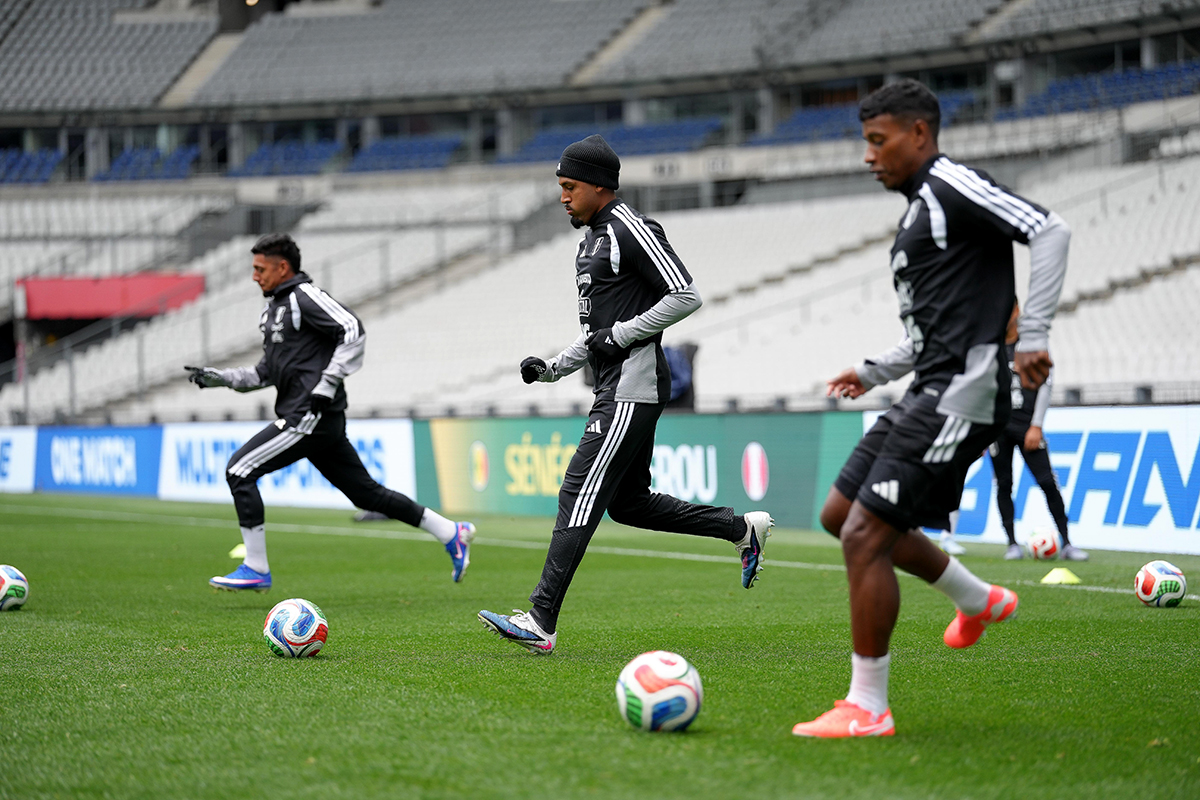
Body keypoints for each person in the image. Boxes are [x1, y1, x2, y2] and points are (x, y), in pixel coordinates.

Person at [795, 80, 1070, 738]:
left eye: (878, 140)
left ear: (918, 134)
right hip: (929, 386)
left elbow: (1049, 230)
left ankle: (868, 706)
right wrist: (872, 371)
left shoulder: (951, 183)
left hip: (963, 393)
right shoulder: (921, 207)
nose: (869, 156)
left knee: (866, 536)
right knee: (841, 515)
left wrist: (1033, 337)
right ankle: (979, 599)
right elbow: (934, 330)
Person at [477, 135, 774, 654]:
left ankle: (541, 620)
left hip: (631, 386)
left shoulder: (628, 227)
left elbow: (686, 294)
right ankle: (739, 529)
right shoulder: (590, 240)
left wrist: (621, 336)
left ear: (599, 186)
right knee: (630, 505)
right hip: (615, 383)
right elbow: (598, 331)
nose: (563, 197)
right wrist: (553, 369)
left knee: (578, 488)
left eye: (570, 187)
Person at [185, 233, 475, 592]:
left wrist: (325, 384)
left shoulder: (304, 297)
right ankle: (451, 532)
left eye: (260, 269)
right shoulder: (274, 308)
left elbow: (352, 329)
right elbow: (265, 373)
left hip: (309, 414)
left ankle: (256, 567)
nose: (255, 276)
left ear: (283, 267)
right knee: (367, 495)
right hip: (319, 420)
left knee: (239, 469)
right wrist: (223, 379)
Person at [993, 300, 1086, 561]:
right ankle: (1011, 543)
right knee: (1003, 484)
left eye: (1010, 309)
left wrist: (1036, 424)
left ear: (1017, 311)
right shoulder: (990, 346)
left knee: (1047, 481)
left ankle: (1067, 543)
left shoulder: (1031, 343)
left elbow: (1046, 382)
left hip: (1027, 425)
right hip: (998, 427)